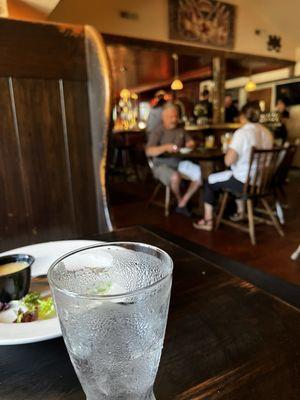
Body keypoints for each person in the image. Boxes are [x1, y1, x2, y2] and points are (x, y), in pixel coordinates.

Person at [193, 102, 273, 231]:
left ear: (242, 116)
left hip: (245, 183)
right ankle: (240, 212)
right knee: (233, 172)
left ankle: (208, 221)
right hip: (262, 181)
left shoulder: (242, 133)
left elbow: (228, 161)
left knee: (209, 180)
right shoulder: (267, 132)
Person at [146, 103, 202, 217]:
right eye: (171, 117)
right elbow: (149, 151)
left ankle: (182, 203)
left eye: (176, 116)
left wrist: (191, 144)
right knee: (175, 177)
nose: (174, 119)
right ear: (163, 117)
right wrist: (165, 147)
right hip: (161, 165)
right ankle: (179, 199)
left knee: (201, 174)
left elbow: (190, 142)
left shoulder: (180, 129)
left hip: (180, 162)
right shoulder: (157, 131)